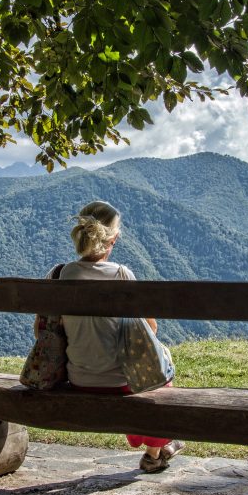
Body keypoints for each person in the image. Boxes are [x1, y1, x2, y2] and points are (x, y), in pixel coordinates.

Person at [39, 200, 184, 473]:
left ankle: (155, 445)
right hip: (121, 384)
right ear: (113, 238)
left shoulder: (58, 274)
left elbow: (41, 330)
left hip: (78, 379)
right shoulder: (121, 275)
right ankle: (154, 453)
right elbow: (150, 330)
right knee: (162, 369)